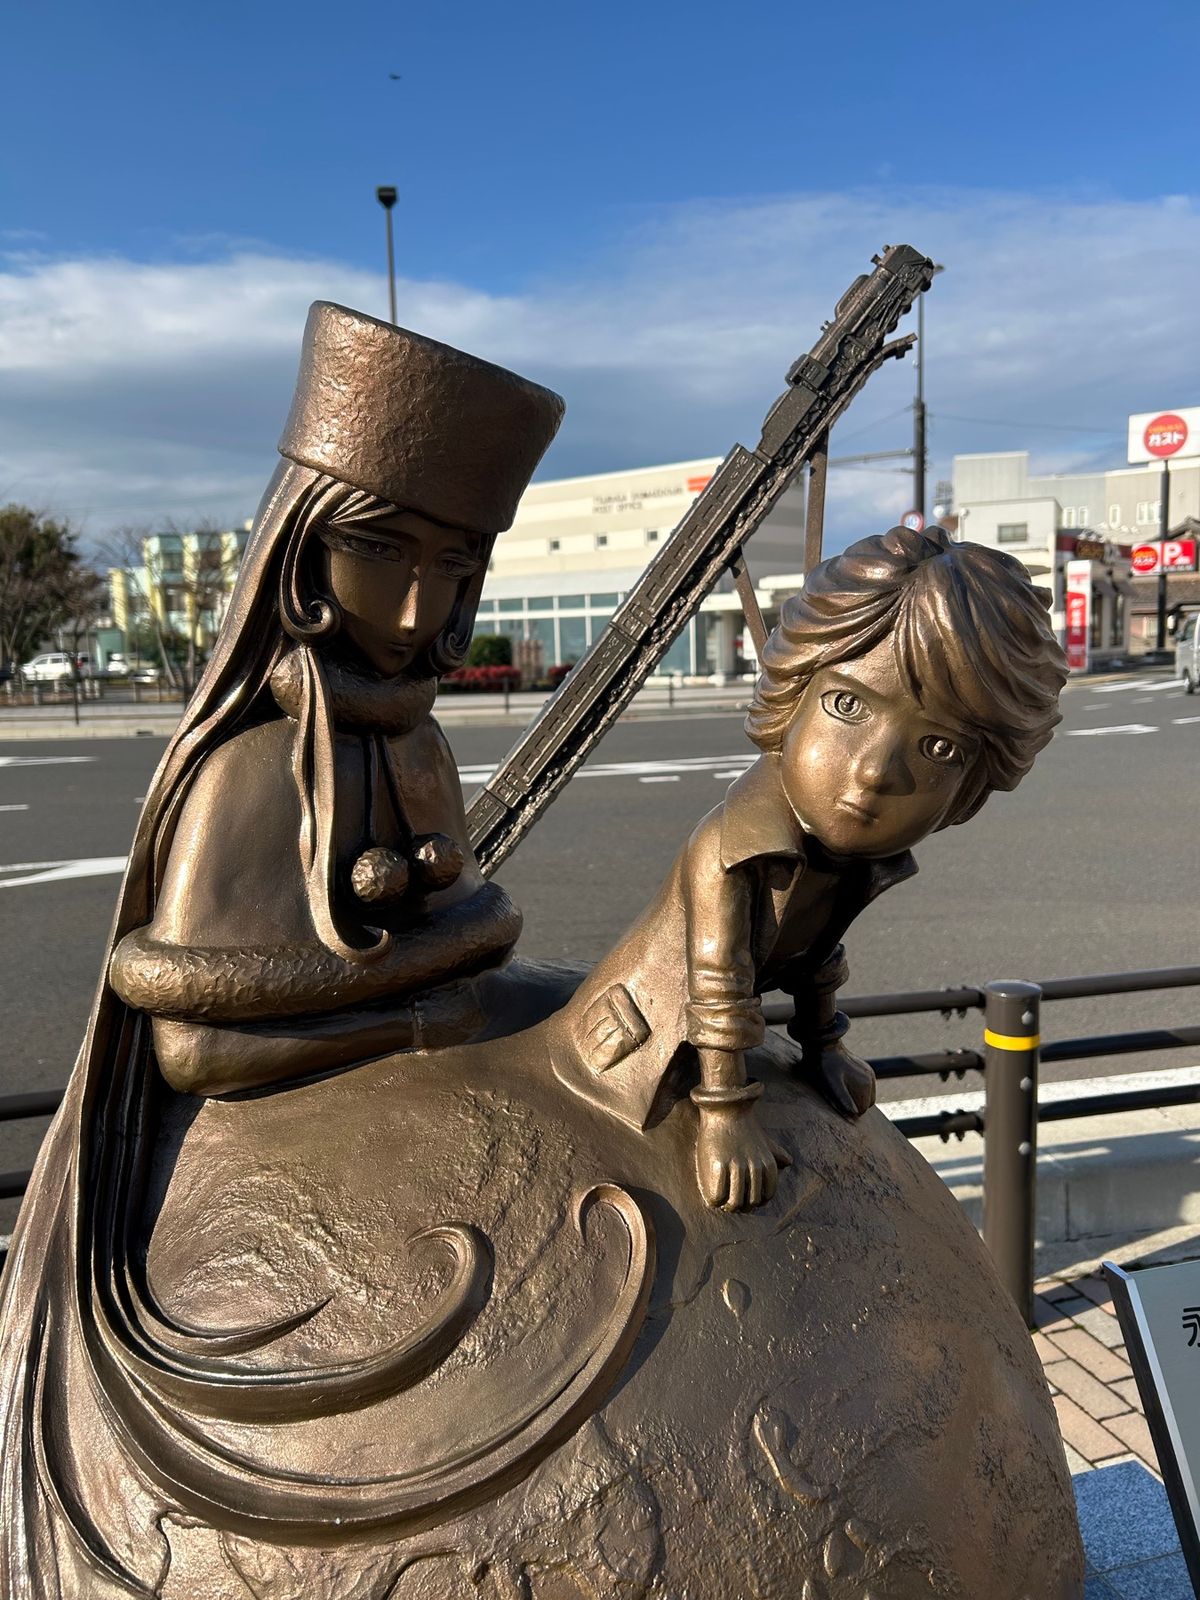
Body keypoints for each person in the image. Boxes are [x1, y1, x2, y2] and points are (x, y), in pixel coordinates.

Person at [0, 303, 565, 1597]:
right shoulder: (254, 771)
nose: (420, 606)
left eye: (455, 569)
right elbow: (194, 1045)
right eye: (386, 555)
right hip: (264, 1194)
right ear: (307, 554)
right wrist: (409, 1010)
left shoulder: (416, 744)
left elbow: (455, 932)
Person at [553, 526, 1068, 1210]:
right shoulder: (730, 846)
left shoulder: (852, 851)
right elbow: (717, 982)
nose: (875, 771)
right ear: (792, 694)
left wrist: (823, 1045)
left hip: (726, 1031)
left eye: (939, 748)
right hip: (641, 1043)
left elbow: (817, 949)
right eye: (847, 705)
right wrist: (727, 1117)